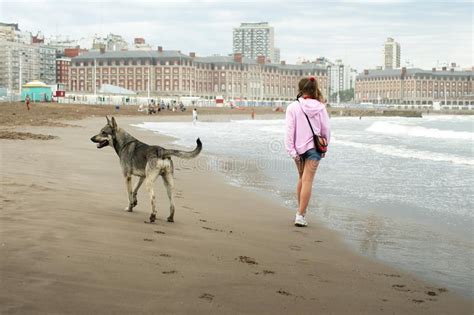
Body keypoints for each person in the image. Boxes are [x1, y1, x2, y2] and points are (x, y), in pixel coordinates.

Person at [285, 77, 330, 227]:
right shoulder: (320, 107)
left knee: (302, 179)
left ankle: (300, 212)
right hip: (314, 150)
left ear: (300, 89)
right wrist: (326, 146)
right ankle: (300, 215)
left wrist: (291, 150)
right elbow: (325, 130)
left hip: (298, 149)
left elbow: (289, 131)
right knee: (307, 180)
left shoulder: (293, 107)